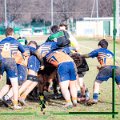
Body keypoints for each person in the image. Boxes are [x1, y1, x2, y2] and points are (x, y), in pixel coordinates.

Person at [82, 39, 120, 105]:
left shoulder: (99, 50)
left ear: (99, 46)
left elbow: (88, 55)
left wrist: (80, 55)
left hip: (107, 68)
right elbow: (110, 62)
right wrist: (100, 66)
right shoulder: (111, 53)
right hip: (117, 68)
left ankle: (95, 99)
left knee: (97, 82)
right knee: (119, 84)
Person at [0, 27, 27, 109]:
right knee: (15, 84)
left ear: (5, 34)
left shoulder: (1, 42)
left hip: (1, 62)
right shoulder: (16, 41)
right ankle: (15, 105)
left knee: (7, 83)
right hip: (11, 62)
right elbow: (25, 53)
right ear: (12, 33)